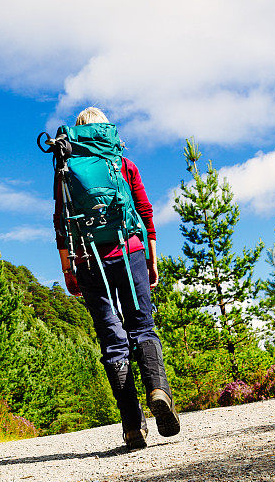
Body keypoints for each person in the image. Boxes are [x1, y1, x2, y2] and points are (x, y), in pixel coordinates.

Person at [53, 107, 180, 450]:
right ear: (106, 131)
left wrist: (68, 268)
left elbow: (61, 222)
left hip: (88, 260)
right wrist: (151, 258)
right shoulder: (122, 162)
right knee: (142, 326)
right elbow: (145, 210)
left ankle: (132, 426)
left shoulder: (66, 169)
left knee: (112, 339)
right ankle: (157, 390)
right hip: (130, 251)